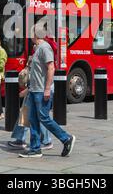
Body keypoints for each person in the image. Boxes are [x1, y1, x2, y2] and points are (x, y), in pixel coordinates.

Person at [19, 25, 76, 158]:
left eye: (30, 33)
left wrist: (46, 89)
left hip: (41, 90)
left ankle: (66, 138)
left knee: (44, 118)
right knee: (33, 119)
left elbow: (51, 68)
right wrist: (28, 90)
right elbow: (37, 73)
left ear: (35, 34)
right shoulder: (37, 48)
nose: (29, 36)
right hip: (34, 90)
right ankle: (35, 149)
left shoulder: (45, 48)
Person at [8, 44, 53, 150]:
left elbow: (46, 73)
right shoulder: (35, 55)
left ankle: (48, 140)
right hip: (34, 89)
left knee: (41, 116)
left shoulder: (44, 51)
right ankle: (21, 138)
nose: (33, 45)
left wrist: (46, 89)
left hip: (38, 89)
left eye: (36, 43)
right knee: (26, 113)